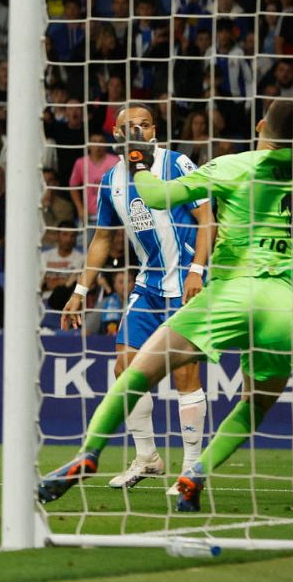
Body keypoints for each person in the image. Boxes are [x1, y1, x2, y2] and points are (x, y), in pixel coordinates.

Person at [41, 49, 293, 512]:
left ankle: (88, 454)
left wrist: (137, 160)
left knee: (136, 373)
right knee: (254, 405)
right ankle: (194, 474)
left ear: (261, 128)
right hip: (283, 306)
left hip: (232, 293)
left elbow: (158, 194)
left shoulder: (231, 166)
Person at [59, 103, 215, 492]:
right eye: (130, 126)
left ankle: (191, 469)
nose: (138, 131)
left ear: (155, 131)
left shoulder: (176, 163)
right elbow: (102, 239)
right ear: (116, 134)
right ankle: (147, 458)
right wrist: (81, 290)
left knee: (184, 373)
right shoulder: (111, 180)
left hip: (187, 285)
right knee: (124, 372)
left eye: (145, 125)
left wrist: (197, 270)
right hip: (148, 287)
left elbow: (207, 219)